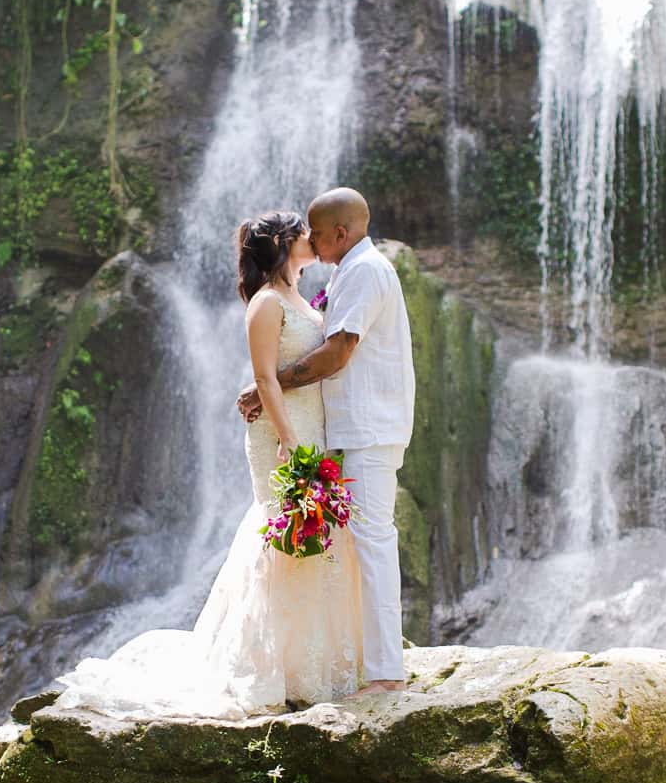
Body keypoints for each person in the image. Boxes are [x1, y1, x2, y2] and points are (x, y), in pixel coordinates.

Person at [51, 209, 363, 715]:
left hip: (312, 430)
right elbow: (265, 378)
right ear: (284, 243)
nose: (313, 237)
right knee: (283, 534)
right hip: (282, 436)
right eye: (303, 232)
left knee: (313, 537)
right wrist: (288, 440)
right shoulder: (265, 304)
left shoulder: (300, 298)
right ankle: (267, 665)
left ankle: (307, 662)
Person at [238, 187, 415, 694]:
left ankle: (384, 672)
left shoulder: (364, 271)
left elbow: (337, 353)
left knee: (373, 543)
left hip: (368, 428)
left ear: (341, 232)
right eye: (302, 236)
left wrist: (272, 383)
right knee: (353, 546)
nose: (310, 241)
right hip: (344, 430)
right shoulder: (346, 271)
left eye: (316, 232)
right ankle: (355, 662)